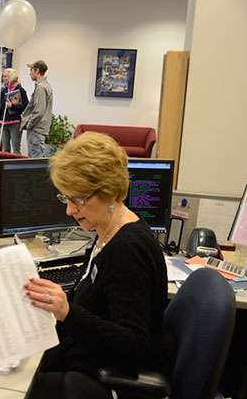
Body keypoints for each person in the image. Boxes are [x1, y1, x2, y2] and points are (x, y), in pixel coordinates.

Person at [23, 132, 174, 398]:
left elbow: (134, 343)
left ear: (112, 192)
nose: (70, 210)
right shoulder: (107, 231)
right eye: (65, 198)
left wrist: (67, 312)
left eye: (79, 199)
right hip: (82, 360)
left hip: (105, 380)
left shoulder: (127, 250)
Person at [20, 60, 53, 158]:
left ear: (37, 71)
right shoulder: (44, 85)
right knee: (37, 159)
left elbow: (38, 111)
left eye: (31, 70)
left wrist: (30, 125)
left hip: (36, 129)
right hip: (39, 129)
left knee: (35, 161)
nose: (30, 74)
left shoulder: (41, 87)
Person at [0, 68, 28, 154]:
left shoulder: (20, 90)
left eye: (5, 76)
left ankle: (16, 167)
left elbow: (25, 107)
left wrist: (12, 106)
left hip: (15, 124)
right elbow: (0, 109)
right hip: (4, 124)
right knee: (5, 150)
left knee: (16, 150)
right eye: (3, 76)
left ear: (11, 77)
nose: (3, 78)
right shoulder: (4, 91)